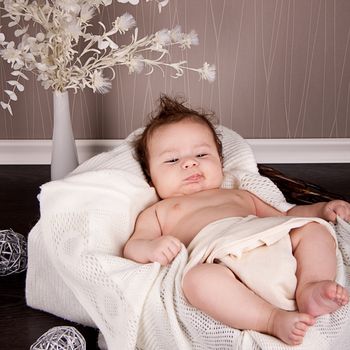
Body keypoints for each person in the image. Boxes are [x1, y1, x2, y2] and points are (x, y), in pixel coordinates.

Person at [123, 95, 350, 346]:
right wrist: (151, 247)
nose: (190, 163)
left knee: (313, 230)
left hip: (271, 242)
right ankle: (272, 319)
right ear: (151, 177)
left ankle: (312, 286)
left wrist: (321, 210)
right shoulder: (159, 211)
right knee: (197, 280)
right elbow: (134, 245)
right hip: (225, 263)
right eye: (172, 160)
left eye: (201, 154)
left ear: (220, 163)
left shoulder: (239, 194)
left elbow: (286, 216)